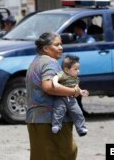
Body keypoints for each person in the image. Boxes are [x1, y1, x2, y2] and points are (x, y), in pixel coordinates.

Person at [26, 32, 82, 160]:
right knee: (66, 153)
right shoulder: (50, 62)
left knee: (41, 156)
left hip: (35, 119)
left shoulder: (35, 62)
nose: (61, 47)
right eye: (57, 45)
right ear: (45, 48)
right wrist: (73, 91)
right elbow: (48, 86)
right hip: (52, 120)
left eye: (61, 44)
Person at [52, 54, 89, 137]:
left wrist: (81, 92)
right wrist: (55, 83)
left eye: (78, 69)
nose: (78, 71)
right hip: (60, 98)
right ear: (67, 70)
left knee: (78, 112)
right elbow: (55, 77)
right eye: (75, 69)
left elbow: (76, 88)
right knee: (59, 110)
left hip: (71, 99)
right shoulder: (63, 74)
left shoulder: (76, 78)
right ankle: (56, 125)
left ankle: (81, 128)